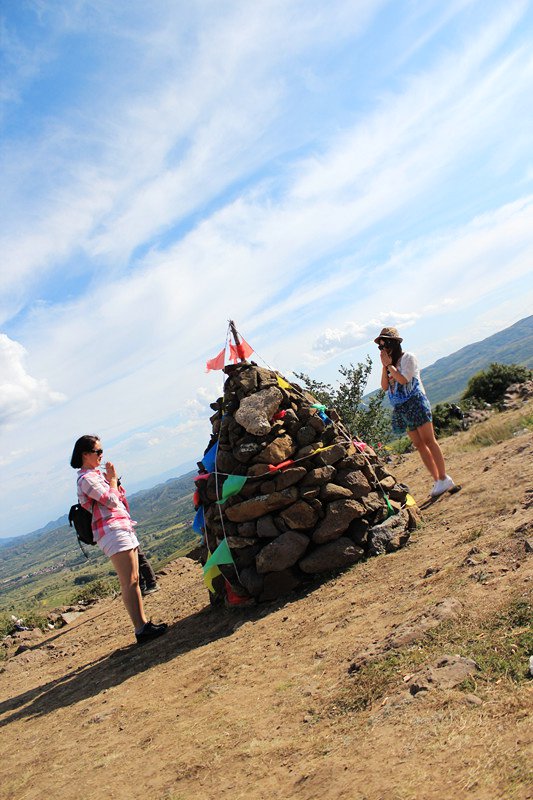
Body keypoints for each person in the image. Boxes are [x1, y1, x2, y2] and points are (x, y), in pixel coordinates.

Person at [70, 434, 167, 644]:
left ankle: (144, 624)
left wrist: (113, 481)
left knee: (134, 579)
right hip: (111, 530)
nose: (101, 455)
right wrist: (112, 480)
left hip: (121, 526)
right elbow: (111, 501)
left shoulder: (96, 476)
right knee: (129, 581)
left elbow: (119, 497)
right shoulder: (85, 479)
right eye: (98, 452)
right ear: (85, 454)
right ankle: (141, 629)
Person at [375, 327, 456, 497]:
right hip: (402, 408)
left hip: (416, 403)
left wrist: (389, 365)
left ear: (395, 343)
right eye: (380, 346)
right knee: (419, 444)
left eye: (385, 344)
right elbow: (384, 386)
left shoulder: (407, 358)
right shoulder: (389, 365)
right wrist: (385, 367)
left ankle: (444, 477)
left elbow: (404, 380)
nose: (383, 349)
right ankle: (438, 480)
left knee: (428, 440)